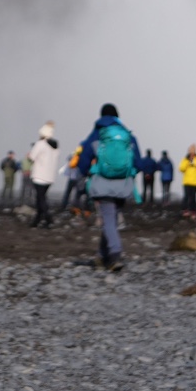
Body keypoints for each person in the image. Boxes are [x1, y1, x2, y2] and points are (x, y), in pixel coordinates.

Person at [79, 104, 141, 269]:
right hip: (123, 185)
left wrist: (87, 172)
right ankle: (101, 256)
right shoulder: (127, 136)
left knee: (108, 220)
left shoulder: (97, 134)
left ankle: (115, 254)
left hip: (103, 183)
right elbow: (138, 162)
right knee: (111, 219)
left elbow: (83, 160)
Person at [24, 125, 59, 228]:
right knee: (40, 198)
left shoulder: (40, 144)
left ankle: (49, 219)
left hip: (39, 176)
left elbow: (32, 157)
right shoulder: (55, 146)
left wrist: (29, 155)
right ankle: (37, 220)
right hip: (50, 177)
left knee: (41, 199)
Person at [178, 144, 196, 218]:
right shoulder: (185, 159)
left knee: (193, 197)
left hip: (195, 182)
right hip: (187, 181)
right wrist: (187, 163)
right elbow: (181, 169)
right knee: (186, 196)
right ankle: (185, 210)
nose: (192, 153)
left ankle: (193, 211)